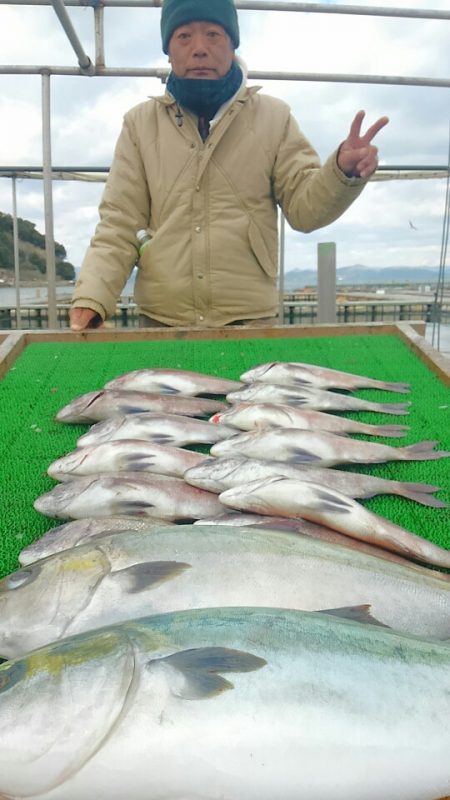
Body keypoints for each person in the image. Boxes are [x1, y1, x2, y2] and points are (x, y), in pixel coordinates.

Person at [70, 0, 388, 331]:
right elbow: (119, 223)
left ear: (233, 44)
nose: (199, 49)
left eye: (213, 34)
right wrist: (92, 298)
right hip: (161, 322)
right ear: (168, 51)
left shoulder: (275, 117)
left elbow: (304, 210)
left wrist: (341, 171)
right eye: (183, 36)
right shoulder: (139, 125)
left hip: (252, 319)